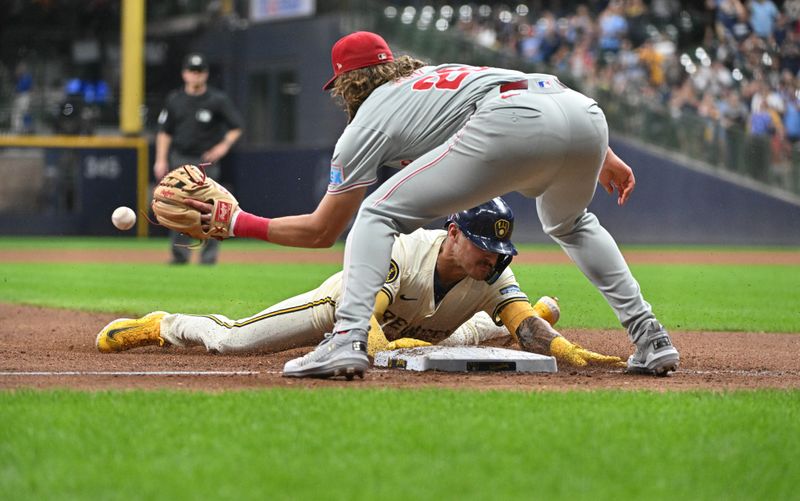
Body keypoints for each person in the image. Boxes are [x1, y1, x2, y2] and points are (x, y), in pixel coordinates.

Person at [186, 31, 680, 379]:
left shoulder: (367, 123)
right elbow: (541, 95)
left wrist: (238, 222)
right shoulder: (441, 76)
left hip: (511, 120)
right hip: (581, 112)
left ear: (345, 86)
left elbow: (322, 231)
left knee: (376, 213)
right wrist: (605, 156)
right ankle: (651, 337)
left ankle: (346, 340)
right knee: (571, 223)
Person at [96, 198, 624, 370]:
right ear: (454, 233)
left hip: (423, 325)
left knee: (476, 332)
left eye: (500, 253)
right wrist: (394, 352)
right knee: (236, 339)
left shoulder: (493, 272)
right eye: (485, 249)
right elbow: (362, 318)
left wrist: (565, 350)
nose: (493, 260)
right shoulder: (406, 251)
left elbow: (520, 321)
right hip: (342, 309)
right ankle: (164, 323)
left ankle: (496, 325)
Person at [154, 52, 244, 265]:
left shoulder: (217, 100)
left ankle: (209, 257)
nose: (196, 75)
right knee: (177, 208)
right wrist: (160, 159)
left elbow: (236, 127)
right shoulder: (175, 99)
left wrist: (222, 147)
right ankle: (179, 256)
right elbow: (164, 132)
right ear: (185, 74)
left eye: (200, 71)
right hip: (180, 160)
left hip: (205, 162)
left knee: (211, 208)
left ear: (205, 74)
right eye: (192, 71)